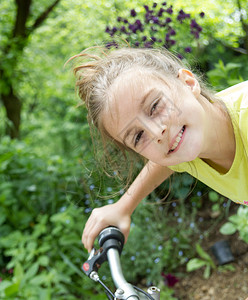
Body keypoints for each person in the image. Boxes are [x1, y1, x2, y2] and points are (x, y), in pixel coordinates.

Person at [69, 47, 248, 253]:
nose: (156, 133)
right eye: (138, 136)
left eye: (155, 106)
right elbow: (161, 164)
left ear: (188, 83)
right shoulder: (183, 140)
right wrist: (123, 207)